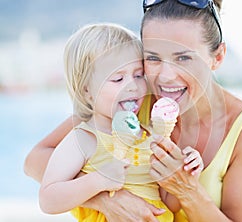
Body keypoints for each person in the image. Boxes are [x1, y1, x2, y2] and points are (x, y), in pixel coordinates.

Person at [24, 0, 242, 221]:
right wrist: (107, 198)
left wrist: (187, 189)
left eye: (184, 58)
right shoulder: (131, 100)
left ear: (218, 57)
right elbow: (36, 160)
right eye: (153, 58)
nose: (165, 77)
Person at [37, 22, 201, 221]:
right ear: (86, 91)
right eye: (117, 79)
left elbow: (169, 204)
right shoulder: (84, 139)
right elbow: (48, 200)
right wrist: (99, 180)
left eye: (138, 75)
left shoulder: (149, 135)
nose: (132, 86)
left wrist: (184, 172)